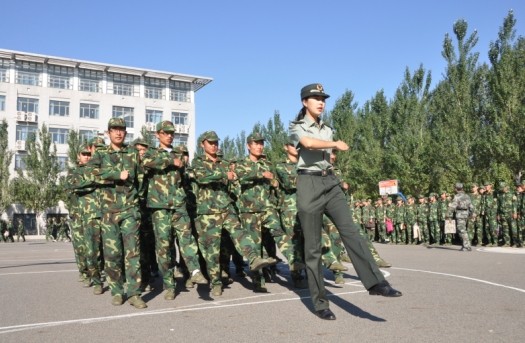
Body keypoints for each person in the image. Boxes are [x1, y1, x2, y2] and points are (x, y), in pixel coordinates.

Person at [289, 83, 402, 321]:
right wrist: (334, 144)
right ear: (304, 102)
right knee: (312, 249)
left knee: (352, 232)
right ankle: (320, 304)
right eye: (316, 98)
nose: (321, 102)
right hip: (308, 186)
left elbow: (325, 155)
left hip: (330, 183)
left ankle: (376, 284)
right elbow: (308, 144)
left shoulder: (327, 128)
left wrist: (332, 163)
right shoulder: (296, 126)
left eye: (323, 99)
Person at [141, 121, 208, 301]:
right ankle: (169, 284)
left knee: (186, 238)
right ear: (158, 135)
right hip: (159, 207)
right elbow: (146, 162)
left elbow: (184, 177)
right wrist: (171, 160)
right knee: (164, 247)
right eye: (165, 133)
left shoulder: (180, 153)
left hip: (178, 204)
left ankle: (194, 270)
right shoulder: (152, 153)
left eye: (172, 133)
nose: (169, 135)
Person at [88, 117, 146, 308]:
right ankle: (117, 291)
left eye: (122, 129)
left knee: (133, 253)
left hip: (129, 210)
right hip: (109, 212)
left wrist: (137, 202)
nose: (118, 133)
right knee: (112, 255)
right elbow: (90, 174)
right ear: (108, 133)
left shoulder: (132, 153)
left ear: (125, 133)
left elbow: (141, 179)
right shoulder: (100, 154)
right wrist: (115, 175)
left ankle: (135, 293)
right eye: (114, 129)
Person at [446, 183, 473, 251]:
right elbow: (471, 206)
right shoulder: (467, 196)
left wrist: (448, 214)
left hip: (460, 214)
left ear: (456, 188)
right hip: (466, 213)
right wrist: (471, 214)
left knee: (462, 230)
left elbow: (453, 206)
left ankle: (466, 246)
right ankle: (466, 245)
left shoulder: (457, 196)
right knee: (463, 229)